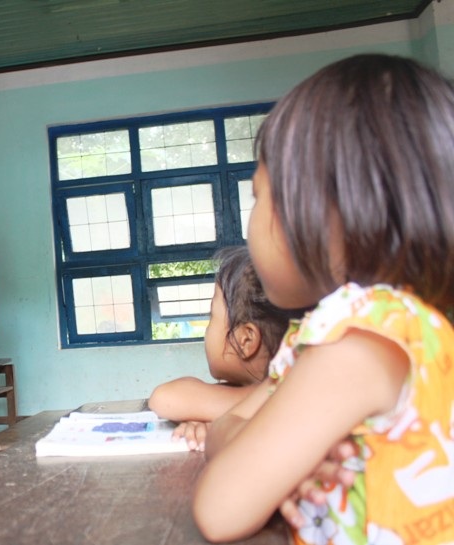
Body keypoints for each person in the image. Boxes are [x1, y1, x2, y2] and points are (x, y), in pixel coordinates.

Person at [193, 54, 454, 544]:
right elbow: (227, 427)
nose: (252, 224)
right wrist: (247, 445)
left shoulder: (361, 340)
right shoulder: (363, 330)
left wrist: (243, 447)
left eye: (258, 196)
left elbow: (219, 509)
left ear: (325, 210)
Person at [147, 245, 294, 451]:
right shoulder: (257, 390)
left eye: (211, 318)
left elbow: (163, 398)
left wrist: (216, 418)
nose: (207, 332)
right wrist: (211, 420)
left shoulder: (278, 393)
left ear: (246, 340)